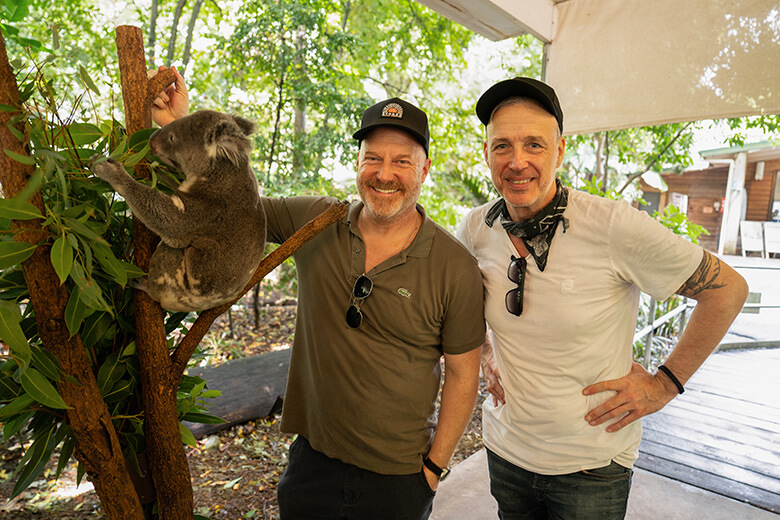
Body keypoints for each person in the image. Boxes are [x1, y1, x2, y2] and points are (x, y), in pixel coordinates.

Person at [151, 67, 486, 519]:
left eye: (402, 161)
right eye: (373, 158)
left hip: (399, 479)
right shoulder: (317, 221)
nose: (384, 174)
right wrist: (181, 126)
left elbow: (465, 376)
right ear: (358, 163)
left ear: (424, 168)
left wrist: (432, 469)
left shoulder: (454, 266)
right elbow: (231, 208)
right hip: (312, 464)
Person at [455, 77, 749, 519]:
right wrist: (485, 352)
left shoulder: (611, 226)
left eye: (534, 144)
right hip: (507, 451)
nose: (517, 162)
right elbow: (460, 300)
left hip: (591, 467)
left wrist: (664, 385)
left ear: (559, 151)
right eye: (502, 146)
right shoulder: (477, 228)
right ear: (486, 154)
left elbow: (727, 289)